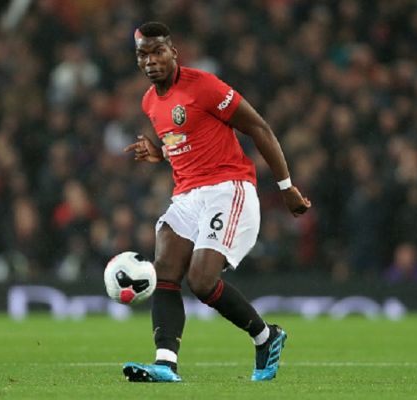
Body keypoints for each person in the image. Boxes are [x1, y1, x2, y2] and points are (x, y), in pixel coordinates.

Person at [122, 22, 311, 383]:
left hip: (228, 188)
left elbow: (259, 128)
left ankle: (266, 337)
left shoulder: (204, 85)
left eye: (158, 51)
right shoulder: (149, 101)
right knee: (166, 270)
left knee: (202, 281)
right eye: (143, 54)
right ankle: (165, 363)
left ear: (173, 52)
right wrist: (160, 153)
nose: (151, 61)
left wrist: (286, 187)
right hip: (187, 195)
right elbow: (188, 139)